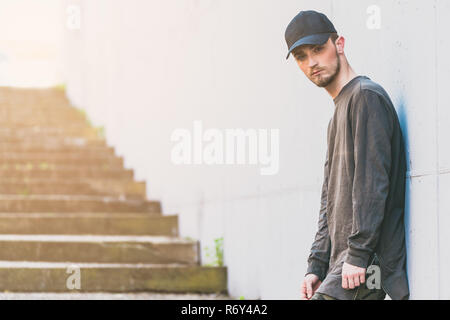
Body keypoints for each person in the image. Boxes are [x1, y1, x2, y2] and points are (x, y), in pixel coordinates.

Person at [284, 10, 410, 300]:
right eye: (301, 56)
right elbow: (329, 197)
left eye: (318, 49)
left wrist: (358, 253)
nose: (312, 62)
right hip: (344, 266)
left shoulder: (365, 97)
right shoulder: (339, 111)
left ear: (339, 44)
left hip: (365, 268)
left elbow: (372, 185)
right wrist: (316, 263)